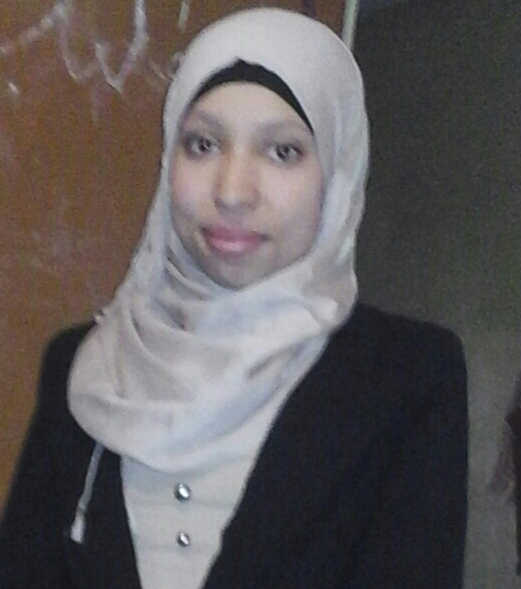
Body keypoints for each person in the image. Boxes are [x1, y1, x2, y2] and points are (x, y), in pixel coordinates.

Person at [0, 8, 468, 589]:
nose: (232, 191)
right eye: (202, 144)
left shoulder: (407, 376)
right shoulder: (85, 368)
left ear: (338, 173)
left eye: (282, 152)